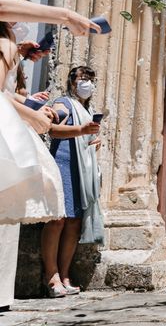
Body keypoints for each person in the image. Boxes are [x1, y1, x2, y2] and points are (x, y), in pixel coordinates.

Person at [0, 0, 98, 310]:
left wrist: (26, 97)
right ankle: (49, 276)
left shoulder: (10, 46)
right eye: (17, 12)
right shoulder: (4, 43)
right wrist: (66, 15)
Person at [42, 66, 104, 297]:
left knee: (74, 223)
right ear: (72, 82)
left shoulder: (88, 110)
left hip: (81, 169)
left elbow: (84, 136)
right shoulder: (64, 104)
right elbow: (53, 130)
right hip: (62, 165)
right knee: (57, 220)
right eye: (83, 78)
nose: (87, 82)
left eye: (91, 79)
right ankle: (51, 276)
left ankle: (65, 275)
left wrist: (93, 141)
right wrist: (80, 130)